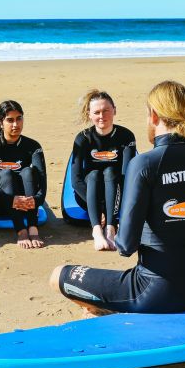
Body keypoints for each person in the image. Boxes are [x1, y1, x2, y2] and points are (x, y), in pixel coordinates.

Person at [49, 81, 185, 315]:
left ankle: (111, 310)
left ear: (153, 115)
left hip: (152, 291)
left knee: (58, 275)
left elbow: (126, 246)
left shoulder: (144, 164)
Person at [69, 90, 137, 251]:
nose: (102, 116)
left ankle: (111, 229)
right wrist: (99, 208)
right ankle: (97, 231)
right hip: (88, 195)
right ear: (89, 114)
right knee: (93, 174)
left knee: (111, 172)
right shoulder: (83, 138)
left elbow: (126, 176)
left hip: (116, 196)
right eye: (97, 112)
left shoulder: (126, 136)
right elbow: (76, 180)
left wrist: (111, 207)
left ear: (114, 110)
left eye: (106, 110)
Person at [0, 100, 47, 249]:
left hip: (23, 204)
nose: (16, 124)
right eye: (10, 120)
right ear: (1, 122)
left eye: (19, 118)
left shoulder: (33, 146)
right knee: (7, 174)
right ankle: (21, 230)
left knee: (28, 171)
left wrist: (37, 200)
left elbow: (41, 179)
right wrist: (10, 200)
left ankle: (33, 228)